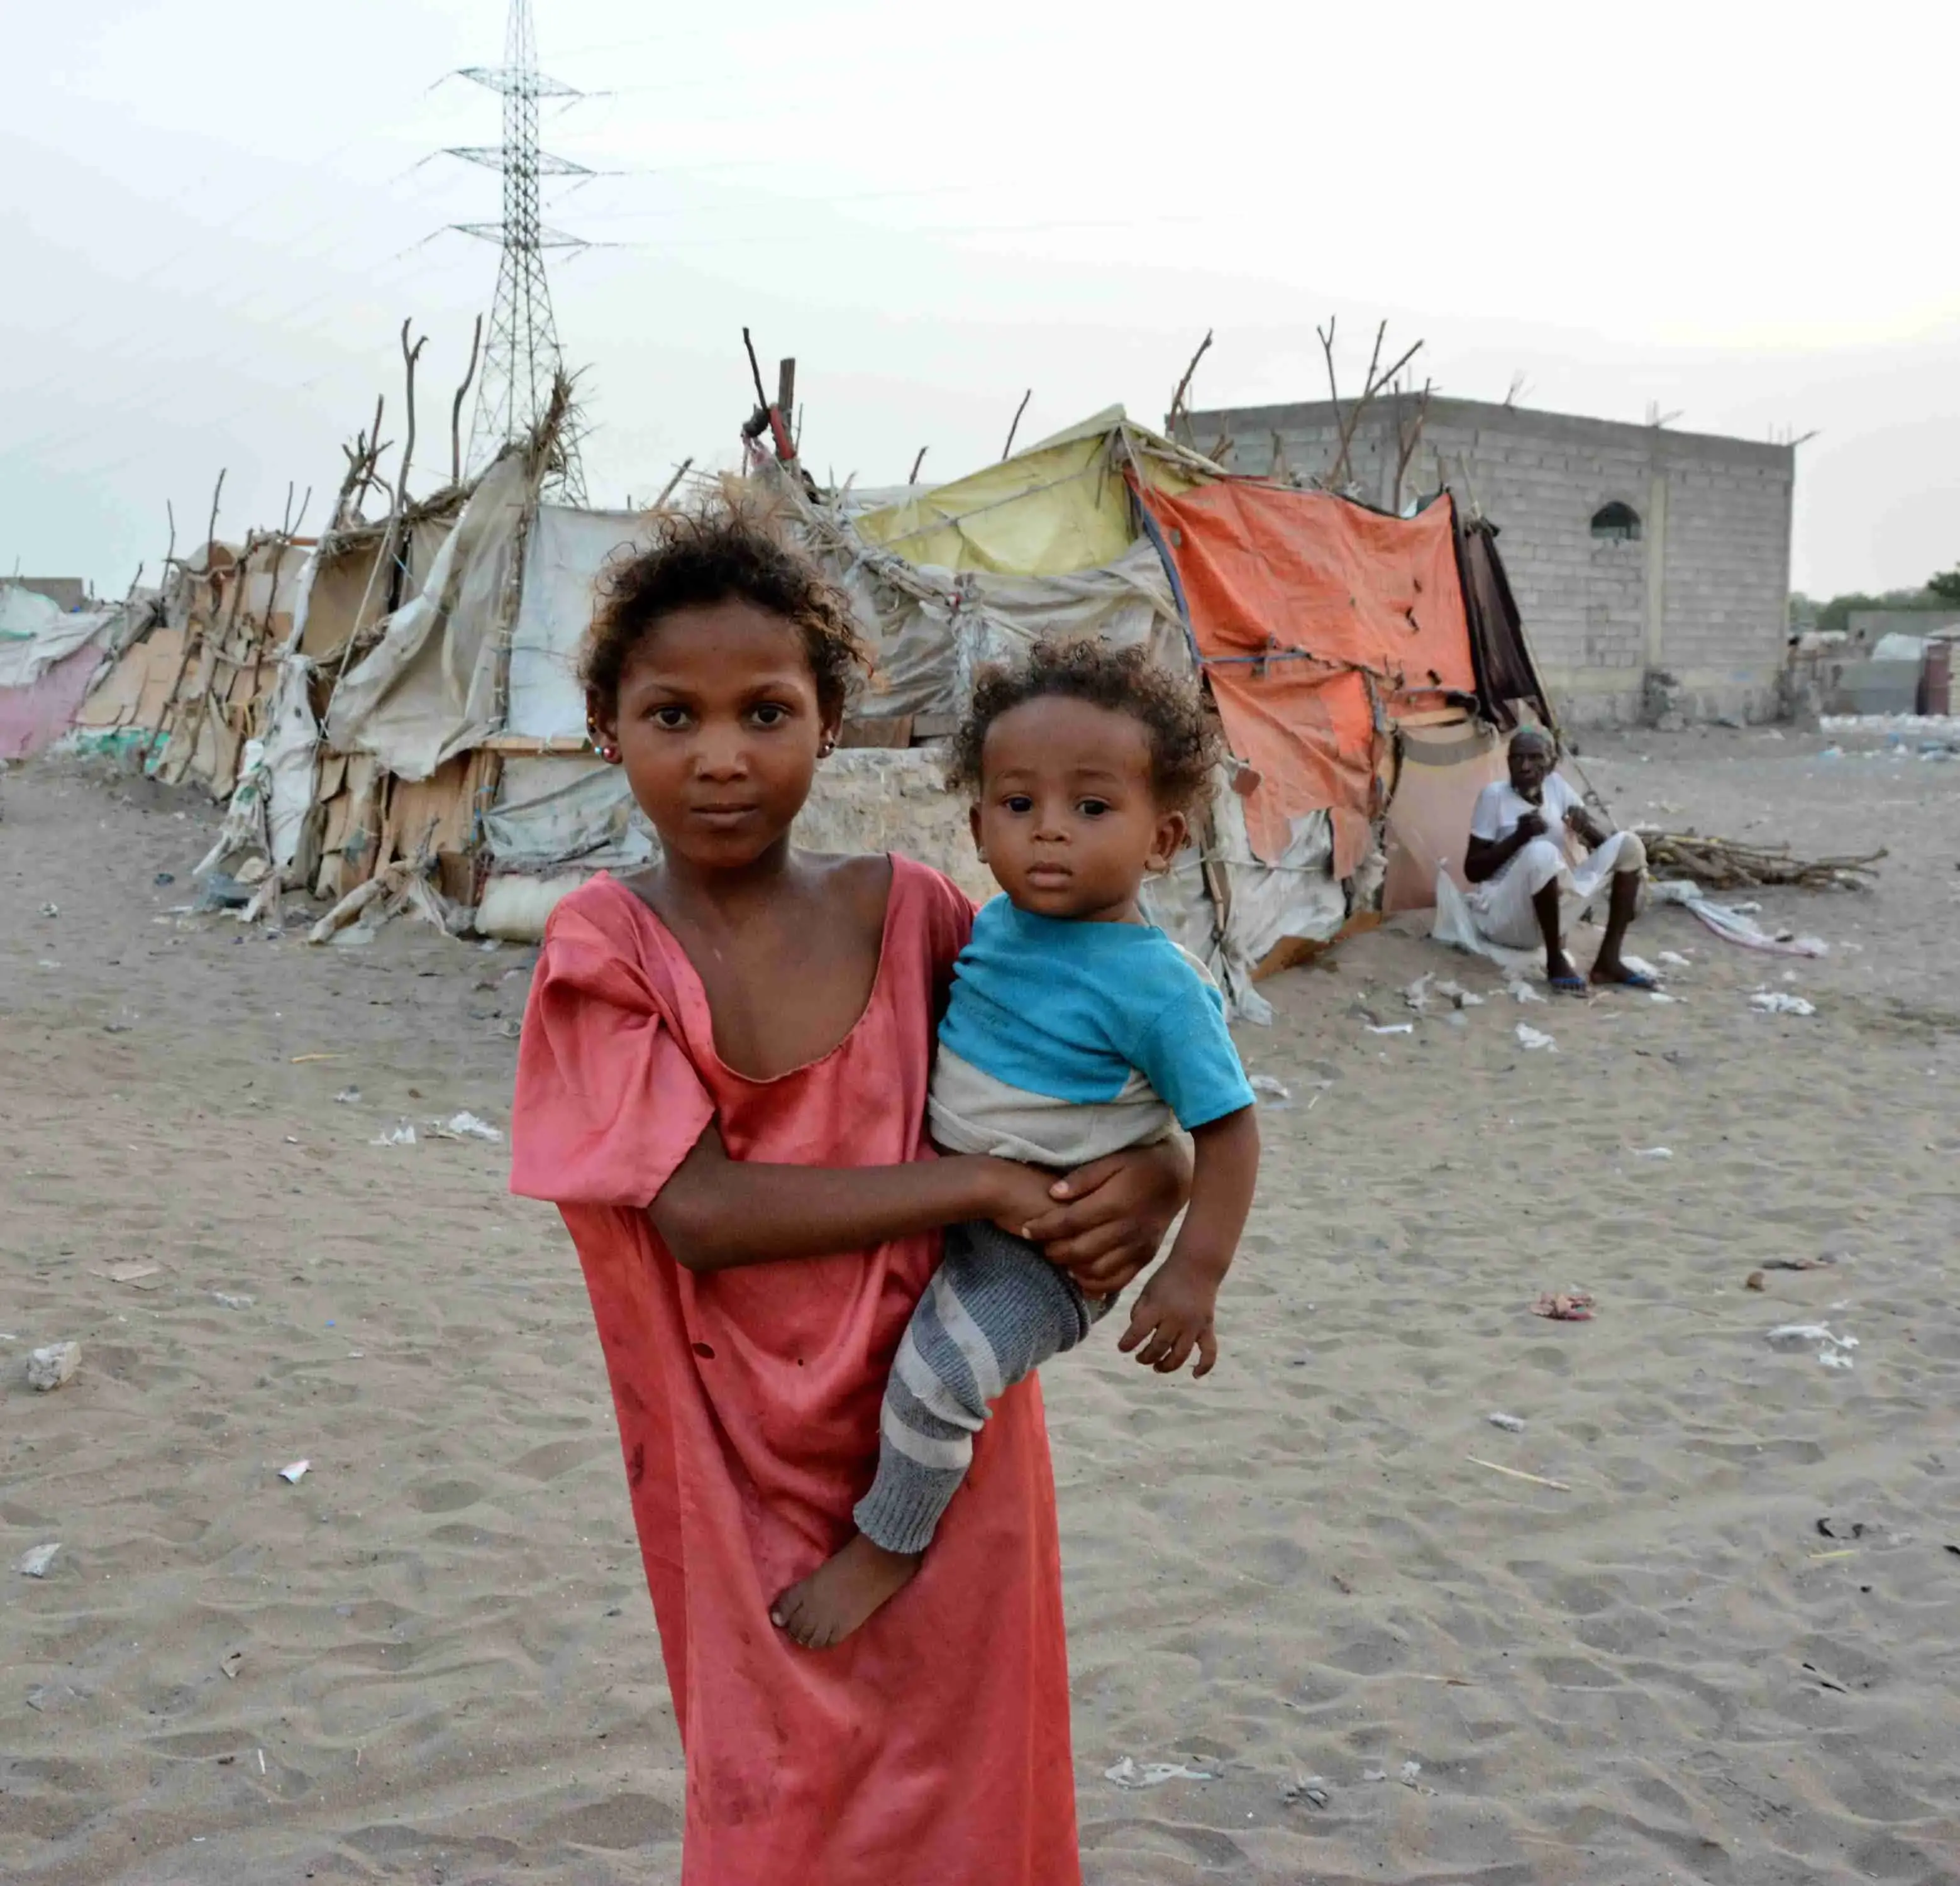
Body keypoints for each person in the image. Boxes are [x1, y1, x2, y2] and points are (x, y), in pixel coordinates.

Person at [507, 502, 1192, 1886]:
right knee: (779, 1793)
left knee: (968, 1777)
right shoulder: (605, 947)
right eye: (670, 717)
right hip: (729, 1450)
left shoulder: (922, 914)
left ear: (832, 719)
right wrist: (986, 1181)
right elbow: (692, 1212)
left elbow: (1088, 1082)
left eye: (765, 712)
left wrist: (1162, 1169)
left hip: (939, 1443)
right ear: (604, 730)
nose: (719, 758)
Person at [773, 640, 1261, 1649]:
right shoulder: (991, 926)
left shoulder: (1155, 984)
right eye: (1018, 805)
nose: (1049, 834)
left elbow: (1228, 1127)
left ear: (1164, 838)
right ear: (976, 825)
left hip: (1050, 1255)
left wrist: (1193, 1272)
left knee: (939, 1378)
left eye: (1091, 809)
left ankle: (891, 1541)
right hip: (954, 1206)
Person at [1462, 724, 1654, 991]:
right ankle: (1555, 960)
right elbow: (1472, 871)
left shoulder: (1556, 787)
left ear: (1552, 764)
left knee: (1629, 844)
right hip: (1504, 916)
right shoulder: (1494, 796)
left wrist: (1586, 827)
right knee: (1542, 851)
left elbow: (1603, 847)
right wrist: (1518, 838)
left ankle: (1608, 961)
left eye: (1534, 758)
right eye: (1516, 758)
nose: (1524, 766)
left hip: (1550, 913)